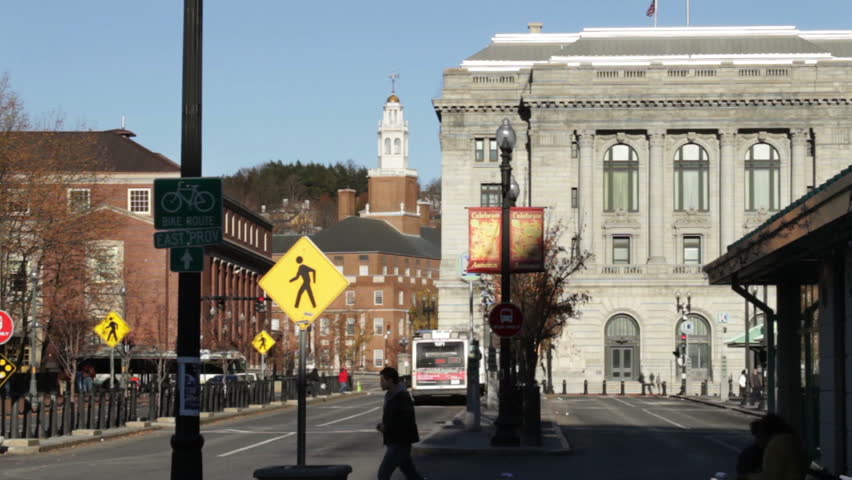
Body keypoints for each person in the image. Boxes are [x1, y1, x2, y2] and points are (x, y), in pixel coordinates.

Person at [377, 366, 424, 480]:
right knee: (411, 473)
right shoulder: (390, 395)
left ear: (390, 380)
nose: (380, 383)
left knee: (383, 474)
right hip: (395, 440)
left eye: (382, 380)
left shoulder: (402, 396)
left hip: (400, 442)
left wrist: (386, 428)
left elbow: (406, 421)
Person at [744, 414, 807, 480]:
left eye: (758, 436)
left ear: (766, 432)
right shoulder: (792, 440)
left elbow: (770, 476)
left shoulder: (774, 446)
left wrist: (747, 477)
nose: (756, 441)